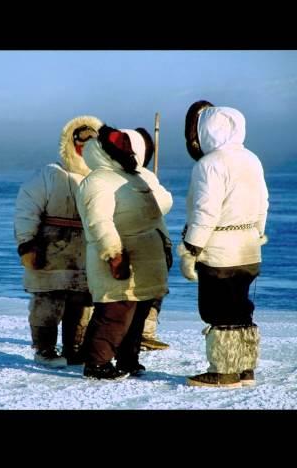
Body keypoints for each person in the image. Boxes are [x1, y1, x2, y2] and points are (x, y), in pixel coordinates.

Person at [177, 101, 269, 388]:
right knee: (242, 308)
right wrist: (256, 234)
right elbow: (263, 203)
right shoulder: (252, 159)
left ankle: (223, 371)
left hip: (219, 251)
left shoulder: (209, 164)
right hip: (249, 248)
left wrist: (191, 249)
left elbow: (206, 211)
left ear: (207, 131)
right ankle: (246, 369)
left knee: (217, 310)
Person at [76, 125, 173, 380]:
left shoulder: (134, 177)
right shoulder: (97, 181)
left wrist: (165, 245)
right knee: (114, 311)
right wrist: (114, 254)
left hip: (145, 257)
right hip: (120, 256)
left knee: (138, 311)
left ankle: (128, 359)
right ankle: (96, 364)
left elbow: (158, 209)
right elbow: (99, 221)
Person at [13, 116, 101, 367]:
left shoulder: (102, 178)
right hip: (50, 252)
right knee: (47, 302)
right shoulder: (48, 175)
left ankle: (75, 349)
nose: (86, 147)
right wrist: (27, 244)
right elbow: (26, 210)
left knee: (82, 302)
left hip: (87, 252)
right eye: (81, 141)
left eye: (93, 142)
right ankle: (44, 349)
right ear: (70, 143)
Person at [133, 129, 172, 352]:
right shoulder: (144, 177)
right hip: (149, 241)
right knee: (151, 287)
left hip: (144, 240)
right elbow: (164, 203)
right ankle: (144, 332)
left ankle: (142, 331)